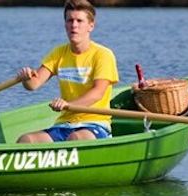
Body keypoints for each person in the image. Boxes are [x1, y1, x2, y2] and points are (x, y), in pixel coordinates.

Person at [16, 0, 119, 143]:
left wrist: (69, 105)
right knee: (26, 140)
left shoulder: (103, 55)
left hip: (95, 124)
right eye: (70, 20)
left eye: (79, 21)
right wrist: (26, 78)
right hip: (64, 124)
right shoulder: (59, 53)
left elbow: (97, 93)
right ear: (65, 24)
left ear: (91, 26)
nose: (74, 25)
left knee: (75, 138)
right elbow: (34, 84)